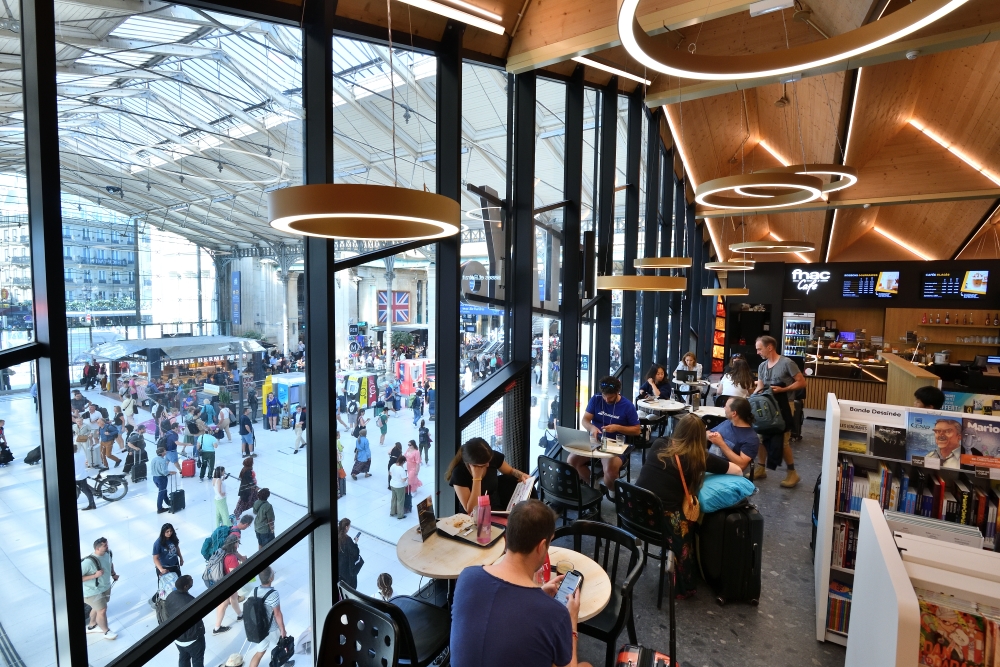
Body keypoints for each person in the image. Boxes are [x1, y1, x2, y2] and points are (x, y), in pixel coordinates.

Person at [450, 500, 591, 667]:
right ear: (541, 546)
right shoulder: (556, 614)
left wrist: (538, 595)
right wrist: (571, 620)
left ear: (506, 536)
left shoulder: (467, 577)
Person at [636, 414, 743, 598]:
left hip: (634, 514)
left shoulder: (660, 443)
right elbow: (738, 470)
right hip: (661, 524)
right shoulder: (699, 458)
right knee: (688, 523)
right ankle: (685, 584)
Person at [569, 376, 641, 493]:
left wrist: (617, 428)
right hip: (595, 440)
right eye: (604, 396)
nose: (606, 400)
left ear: (617, 393)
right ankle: (595, 487)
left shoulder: (627, 406)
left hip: (615, 444)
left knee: (610, 472)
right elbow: (585, 420)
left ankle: (616, 495)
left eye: (610, 397)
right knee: (572, 461)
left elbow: (637, 430)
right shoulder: (596, 399)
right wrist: (592, 428)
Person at [752, 335, 806, 488]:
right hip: (766, 406)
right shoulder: (762, 366)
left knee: (783, 441)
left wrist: (784, 389)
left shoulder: (787, 363)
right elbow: (760, 387)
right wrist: (751, 398)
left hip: (784, 406)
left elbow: (802, 382)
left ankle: (792, 473)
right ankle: (761, 468)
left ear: (770, 347)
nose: (757, 352)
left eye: (759, 349)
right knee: (761, 437)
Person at [447, 437, 530, 513]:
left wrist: (520, 474)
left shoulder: (489, 457)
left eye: (489, 461)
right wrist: (477, 478)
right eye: (483, 465)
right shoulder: (459, 472)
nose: (488, 465)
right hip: (474, 516)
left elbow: (510, 470)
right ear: (471, 465)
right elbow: (471, 510)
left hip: (495, 509)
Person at [246, 567, 292, 667]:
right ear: (271, 578)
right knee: (282, 645)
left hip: (259, 629)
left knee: (259, 652)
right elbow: (277, 614)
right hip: (271, 629)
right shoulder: (273, 594)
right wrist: (282, 630)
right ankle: (285, 662)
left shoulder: (254, 590)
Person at [706, 397, 760, 472]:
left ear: (734, 413)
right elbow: (708, 432)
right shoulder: (728, 422)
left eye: (726, 406)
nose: (724, 408)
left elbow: (742, 465)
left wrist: (721, 443)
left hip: (725, 473)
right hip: (708, 465)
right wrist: (709, 436)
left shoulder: (750, 438)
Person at [82, 537, 119, 640]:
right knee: (102, 610)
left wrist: (113, 574)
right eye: (105, 545)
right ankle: (106, 631)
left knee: (97, 608)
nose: (107, 546)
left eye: (107, 544)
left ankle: (92, 626)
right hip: (92, 591)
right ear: (97, 548)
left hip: (105, 587)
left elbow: (110, 564)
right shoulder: (88, 563)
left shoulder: (108, 554)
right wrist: (94, 576)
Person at [167, 575, 205, 667]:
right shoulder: (191, 602)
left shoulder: (170, 596)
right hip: (192, 640)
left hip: (177, 638)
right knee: (197, 660)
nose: (192, 581)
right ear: (186, 586)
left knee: (183, 657)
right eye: (191, 581)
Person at [213, 534, 245, 634]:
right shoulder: (231, 558)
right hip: (226, 584)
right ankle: (217, 628)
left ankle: (240, 615)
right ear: (234, 544)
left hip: (222, 580)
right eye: (237, 543)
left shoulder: (222, 551)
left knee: (234, 597)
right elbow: (234, 574)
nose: (238, 545)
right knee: (223, 604)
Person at [337, 518, 362, 589]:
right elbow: (355, 553)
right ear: (346, 527)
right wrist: (356, 543)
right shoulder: (347, 539)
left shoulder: (336, 535)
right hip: (346, 569)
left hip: (338, 567)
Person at [152, 447, 176, 514]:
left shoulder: (154, 459)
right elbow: (164, 472)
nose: (166, 452)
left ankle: (169, 503)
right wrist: (171, 472)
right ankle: (159, 508)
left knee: (164, 491)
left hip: (155, 478)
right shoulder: (163, 461)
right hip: (161, 479)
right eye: (165, 451)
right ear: (162, 453)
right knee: (161, 493)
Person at [75, 441, 98, 511]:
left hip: (77, 477)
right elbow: (85, 463)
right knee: (86, 490)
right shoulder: (81, 455)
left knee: (86, 491)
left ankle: (92, 505)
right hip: (82, 475)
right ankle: (92, 504)